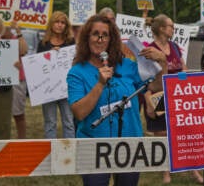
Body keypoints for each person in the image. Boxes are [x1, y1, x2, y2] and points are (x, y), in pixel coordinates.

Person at [67, 14, 167, 186]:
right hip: (94, 147)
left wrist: (163, 63)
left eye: (105, 35)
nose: (100, 39)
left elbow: (156, 88)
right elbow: (79, 113)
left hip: (129, 145)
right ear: (86, 38)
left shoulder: (126, 65)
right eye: (95, 34)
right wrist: (99, 84)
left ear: (111, 40)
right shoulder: (77, 72)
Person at [142, 14, 203, 184]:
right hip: (158, 97)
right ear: (162, 28)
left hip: (177, 97)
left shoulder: (174, 46)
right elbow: (146, 81)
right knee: (163, 136)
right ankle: (166, 172)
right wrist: (148, 103)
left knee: (185, 134)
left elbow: (183, 67)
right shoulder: (150, 49)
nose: (173, 29)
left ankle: (193, 169)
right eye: (171, 26)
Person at [37, 11, 75, 139]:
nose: (59, 25)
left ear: (66, 25)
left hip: (66, 89)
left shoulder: (71, 42)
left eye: (62, 22)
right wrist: (49, 54)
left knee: (69, 122)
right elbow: (37, 67)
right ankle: (50, 151)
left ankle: (69, 153)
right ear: (51, 24)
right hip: (49, 90)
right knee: (50, 123)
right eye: (57, 22)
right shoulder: (43, 44)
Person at [1, 21, 28, 139]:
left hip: (17, 80)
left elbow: (24, 51)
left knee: (18, 114)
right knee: (1, 115)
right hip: (0, 80)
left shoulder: (15, 38)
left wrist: (18, 31)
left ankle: (21, 140)